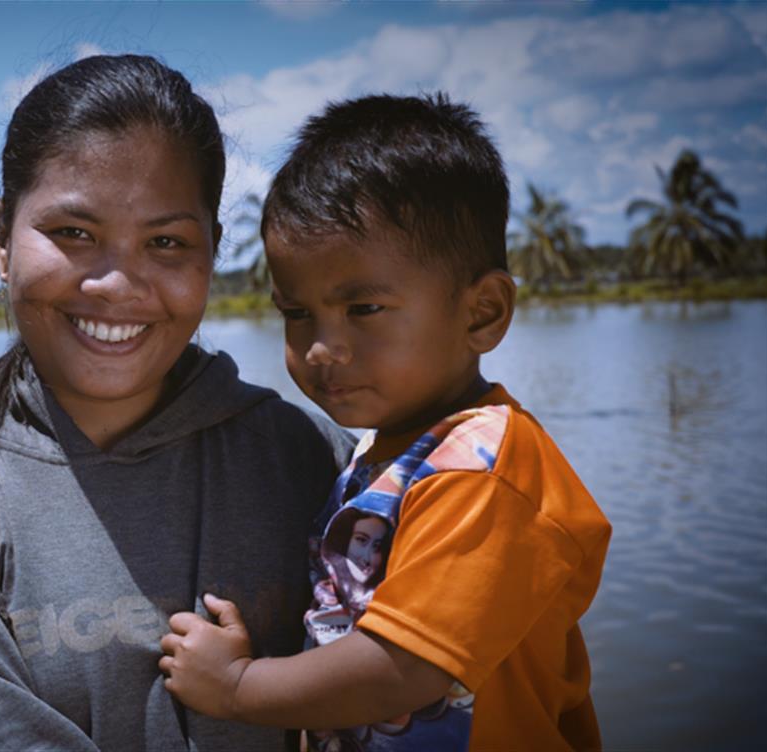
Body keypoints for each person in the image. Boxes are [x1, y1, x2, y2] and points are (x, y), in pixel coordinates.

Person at [0, 54, 354, 750]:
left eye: (166, 242)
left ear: (212, 254)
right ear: (0, 237)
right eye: (74, 234)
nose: (116, 283)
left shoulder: (311, 461)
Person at [158, 93, 613, 751]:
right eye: (297, 313)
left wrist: (237, 687)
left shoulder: (487, 468)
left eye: (363, 308)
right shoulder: (387, 454)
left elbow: (402, 667)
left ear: (481, 312)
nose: (322, 347)